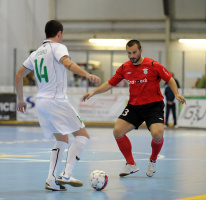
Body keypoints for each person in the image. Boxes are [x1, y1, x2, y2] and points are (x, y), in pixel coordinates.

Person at [15, 20, 101, 191]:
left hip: (41, 102)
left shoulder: (36, 53)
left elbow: (19, 75)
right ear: (60, 33)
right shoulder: (58, 47)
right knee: (83, 136)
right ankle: (66, 174)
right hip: (56, 100)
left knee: (62, 140)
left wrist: (20, 99)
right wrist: (87, 74)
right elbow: (68, 64)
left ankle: (51, 180)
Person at [82, 40, 186, 178]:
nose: (131, 55)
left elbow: (170, 79)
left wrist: (177, 94)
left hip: (153, 106)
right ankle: (131, 164)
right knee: (117, 131)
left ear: (141, 50)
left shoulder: (153, 65)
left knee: (157, 134)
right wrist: (93, 92)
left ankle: (153, 160)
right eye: (129, 53)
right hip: (134, 107)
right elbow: (110, 83)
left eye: (134, 52)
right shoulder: (125, 67)